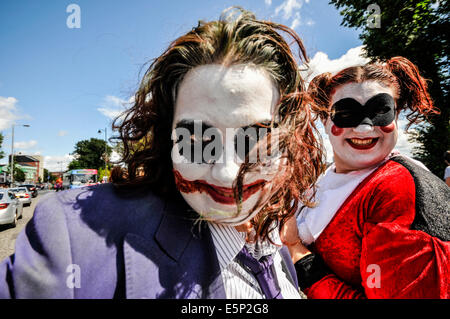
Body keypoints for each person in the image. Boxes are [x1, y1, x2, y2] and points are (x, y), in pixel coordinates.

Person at [0, 8, 324, 299]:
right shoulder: (72, 237)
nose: (226, 172)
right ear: (167, 138)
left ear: (289, 139)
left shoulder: (273, 240)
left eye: (255, 139)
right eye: (197, 139)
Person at [281, 57, 450, 298]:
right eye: (346, 113)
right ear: (325, 119)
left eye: (380, 111)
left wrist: (296, 250)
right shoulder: (326, 179)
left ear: (397, 114)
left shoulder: (396, 189)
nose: (364, 129)